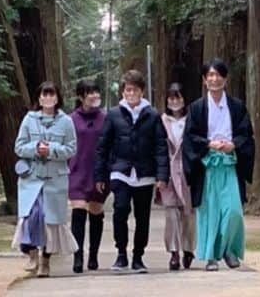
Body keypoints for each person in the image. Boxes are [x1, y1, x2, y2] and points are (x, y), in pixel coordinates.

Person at [93, 68, 169, 273]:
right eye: (127, 90)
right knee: (120, 211)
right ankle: (121, 254)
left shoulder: (152, 115)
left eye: (134, 90)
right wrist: (100, 175)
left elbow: (160, 146)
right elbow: (103, 146)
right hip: (120, 171)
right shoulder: (114, 114)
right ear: (123, 92)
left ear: (141, 91)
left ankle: (138, 256)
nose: (131, 94)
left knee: (143, 216)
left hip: (145, 173)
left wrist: (162, 176)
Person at [183, 58, 255, 271]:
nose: (214, 79)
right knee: (209, 211)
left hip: (230, 165)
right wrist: (209, 144)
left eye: (218, 75)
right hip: (207, 166)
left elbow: (246, 134)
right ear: (205, 80)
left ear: (225, 78)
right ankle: (211, 255)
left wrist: (234, 145)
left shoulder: (237, 106)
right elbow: (190, 137)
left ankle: (230, 250)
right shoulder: (196, 108)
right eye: (210, 75)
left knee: (233, 210)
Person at [13, 82, 77, 278]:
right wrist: (35, 148)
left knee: (50, 221)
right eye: (44, 95)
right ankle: (32, 254)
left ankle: (46, 261)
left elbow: (71, 149)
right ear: (39, 98)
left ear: (57, 98)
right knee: (33, 215)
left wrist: (52, 150)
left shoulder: (66, 121)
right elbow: (19, 147)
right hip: (32, 178)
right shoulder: (29, 119)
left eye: (52, 95)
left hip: (55, 180)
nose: (48, 98)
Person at [67, 78, 107, 273]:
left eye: (96, 92)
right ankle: (78, 255)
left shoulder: (106, 117)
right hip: (76, 170)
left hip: (98, 172)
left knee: (96, 211)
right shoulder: (71, 119)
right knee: (79, 210)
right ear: (81, 96)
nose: (94, 96)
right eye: (89, 93)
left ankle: (93, 255)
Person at [158, 83, 196, 271]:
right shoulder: (162, 120)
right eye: (171, 98)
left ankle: (188, 249)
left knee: (188, 213)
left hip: (187, 171)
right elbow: (157, 148)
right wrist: (160, 175)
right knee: (171, 214)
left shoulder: (192, 119)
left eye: (178, 98)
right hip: (168, 173)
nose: (174, 102)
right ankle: (173, 252)